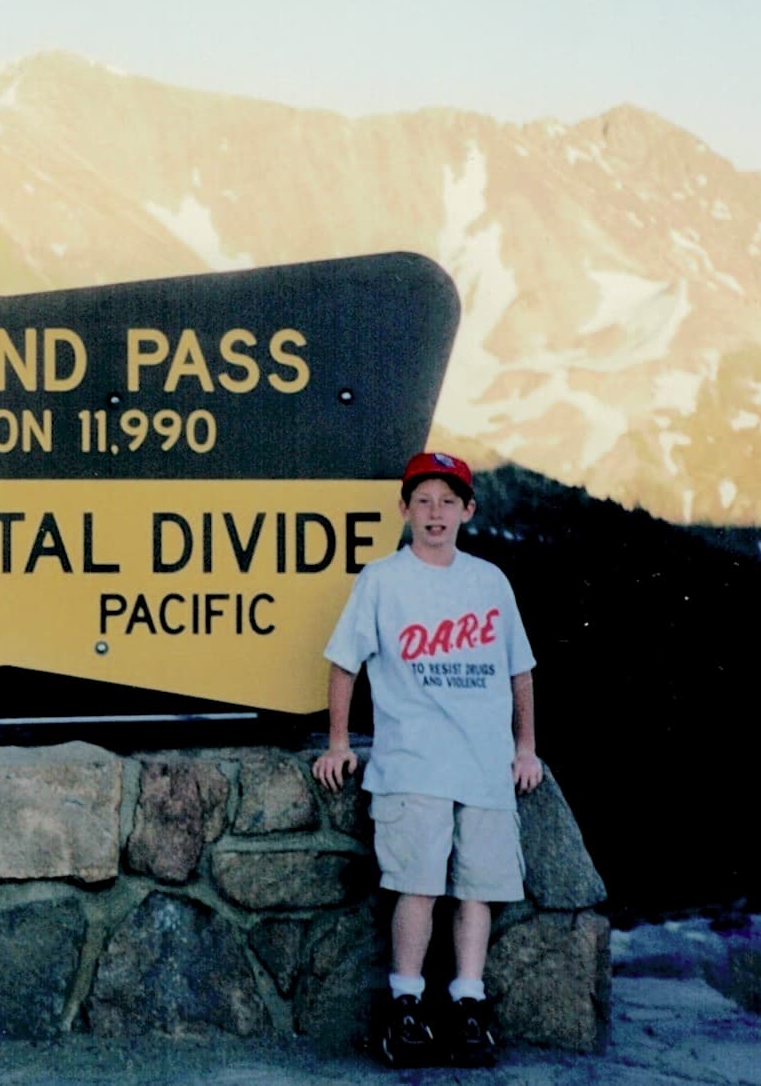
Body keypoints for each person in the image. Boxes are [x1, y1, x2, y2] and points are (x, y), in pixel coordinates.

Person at [311, 451, 541, 1069]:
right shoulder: (383, 579)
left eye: (447, 502)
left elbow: (518, 671)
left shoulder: (489, 581)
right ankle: (406, 1007)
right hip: (413, 764)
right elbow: (344, 662)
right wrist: (339, 743)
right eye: (423, 502)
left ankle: (469, 1004)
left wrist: (526, 748)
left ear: (468, 510)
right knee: (415, 886)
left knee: (478, 889)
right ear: (405, 509)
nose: (434, 513)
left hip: (485, 765)